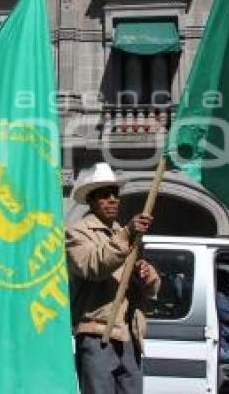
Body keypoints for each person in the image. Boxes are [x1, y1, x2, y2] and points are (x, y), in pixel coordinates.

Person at [66, 162, 160, 394]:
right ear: (91, 200)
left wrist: (146, 276)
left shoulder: (124, 234)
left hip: (128, 335)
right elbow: (93, 266)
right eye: (104, 195)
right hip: (97, 334)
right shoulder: (76, 232)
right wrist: (127, 234)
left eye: (115, 194)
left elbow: (149, 288)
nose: (112, 200)